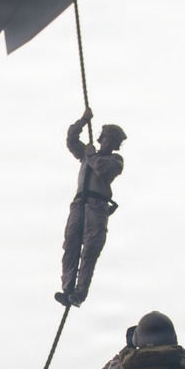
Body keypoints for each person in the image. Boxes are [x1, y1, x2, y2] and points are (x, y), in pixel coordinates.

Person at [54, 108, 126, 307]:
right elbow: (71, 139)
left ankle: (79, 292)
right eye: (106, 139)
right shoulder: (87, 155)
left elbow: (102, 168)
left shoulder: (115, 161)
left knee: (90, 250)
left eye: (112, 141)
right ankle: (67, 288)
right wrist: (83, 120)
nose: (107, 143)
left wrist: (91, 154)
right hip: (79, 204)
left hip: (97, 206)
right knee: (71, 246)